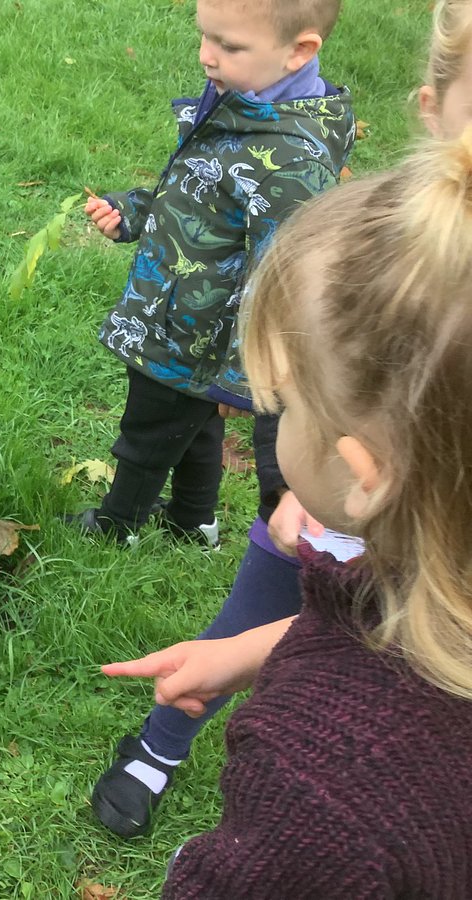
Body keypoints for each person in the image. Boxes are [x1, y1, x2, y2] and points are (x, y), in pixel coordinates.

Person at [89, 0, 471, 840]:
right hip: (321, 504)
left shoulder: (326, 772)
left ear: (364, 468)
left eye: (288, 403)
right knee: (245, 614)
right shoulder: (391, 241)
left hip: (210, 362)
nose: (206, 55)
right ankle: (159, 748)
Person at [72, 0, 353, 545]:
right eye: (206, 36)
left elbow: (282, 283)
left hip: (193, 332)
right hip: (183, 313)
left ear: (299, 51)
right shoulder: (245, 100)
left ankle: (117, 525)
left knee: (149, 430)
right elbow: (198, 197)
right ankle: (194, 521)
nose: (207, 56)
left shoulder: (290, 161)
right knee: (197, 425)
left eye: (229, 46)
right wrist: (131, 212)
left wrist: (244, 373)